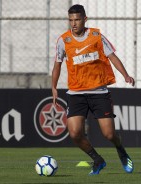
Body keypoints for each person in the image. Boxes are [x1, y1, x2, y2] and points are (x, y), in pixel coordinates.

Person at [52, 4, 135, 175]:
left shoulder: (96, 36)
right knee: (75, 133)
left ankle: (121, 150)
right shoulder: (63, 40)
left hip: (99, 92)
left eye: (77, 20)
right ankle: (98, 160)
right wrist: (53, 87)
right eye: (71, 20)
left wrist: (126, 75)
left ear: (85, 19)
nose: (73, 24)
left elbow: (112, 56)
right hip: (76, 93)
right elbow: (57, 64)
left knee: (109, 134)